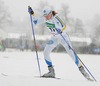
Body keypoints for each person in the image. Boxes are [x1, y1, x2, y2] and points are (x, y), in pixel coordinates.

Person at [28, 6, 90, 80]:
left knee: (71, 54)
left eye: (47, 15)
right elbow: (35, 22)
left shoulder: (57, 18)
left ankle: (83, 71)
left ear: (51, 13)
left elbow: (64, 26)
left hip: (63, 37)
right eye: (45, 16)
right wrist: (32, 14)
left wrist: (60, 30)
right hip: (55, 38)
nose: (46, 17)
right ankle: (51, 72)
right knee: (46, 52)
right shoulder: (45, 18)